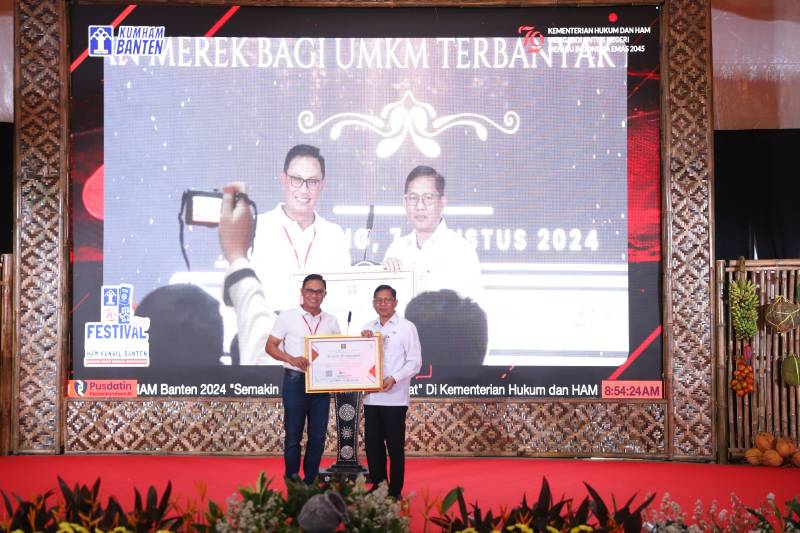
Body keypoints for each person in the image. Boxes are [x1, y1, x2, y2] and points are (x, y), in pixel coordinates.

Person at [220, 144, 351, 365]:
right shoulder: (256, 226)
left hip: (321, 356)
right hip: (267, 352)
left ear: (322, 185)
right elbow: (235, 294)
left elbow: (345, 299)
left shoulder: (335, 235)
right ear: (283, 179)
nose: (304, 189)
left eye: (312, 182)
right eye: (296, 179)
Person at [266, 273, 341, 484]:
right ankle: (292, 482)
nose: (314, 295)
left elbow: (339, 352)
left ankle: (310, 482)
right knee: (293, 436)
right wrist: (291, 358)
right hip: (295, 381)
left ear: (324, 294)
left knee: (317, 437)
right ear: (302, 292)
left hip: (321, 384)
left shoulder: (331, 321)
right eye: (310, 291)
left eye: (319, 292)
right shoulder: (287, 316)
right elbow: (270, 346)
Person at [383, 166, 484, 305]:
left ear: (442, 203)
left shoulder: (461, 250)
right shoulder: (396, 250)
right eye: (413, 198)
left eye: (428, 198)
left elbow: (475, 312)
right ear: (404, 203)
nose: (420, 206)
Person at [360, 284, 422, 499]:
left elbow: (415, 362)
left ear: (395, 302)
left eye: (387, 300)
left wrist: (394, 378)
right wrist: (361, 342)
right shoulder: (368, 328)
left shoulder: (407, 327)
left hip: (395, 398)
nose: (383, 304)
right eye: (379, 300)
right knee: (373, 446)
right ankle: (379, 487)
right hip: (371, 398)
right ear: (373, 303)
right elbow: (360, 360)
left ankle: (395, 491)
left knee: (394, 448)